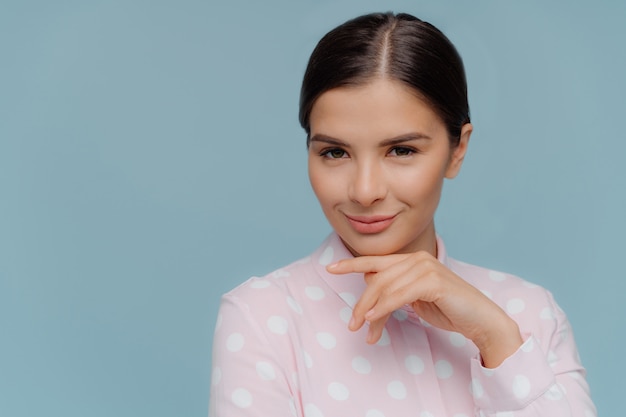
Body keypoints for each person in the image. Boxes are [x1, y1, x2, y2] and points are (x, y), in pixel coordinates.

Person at [209, 12, 596, 417]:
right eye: (334, 152)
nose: (365, 191)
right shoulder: (261, 318)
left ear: (457, 149)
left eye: (401, 150)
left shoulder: (530, 313)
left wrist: (494, 336)